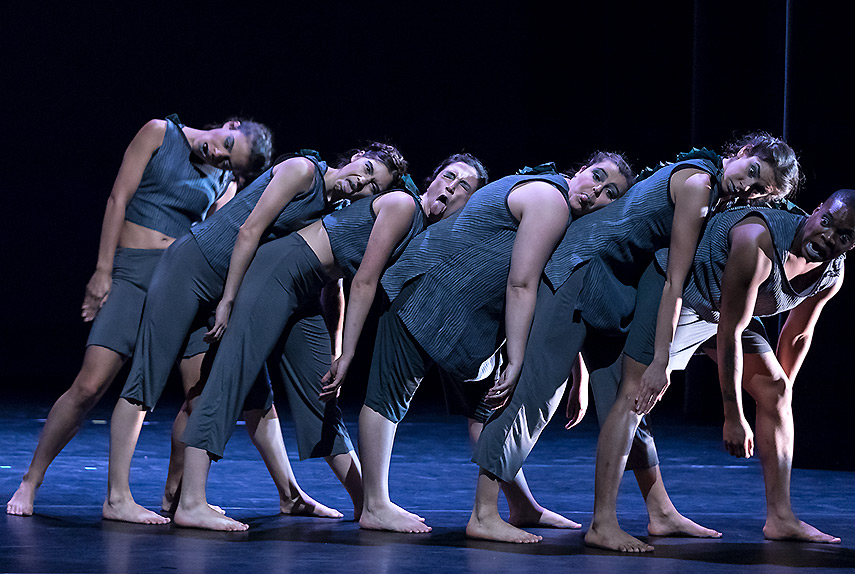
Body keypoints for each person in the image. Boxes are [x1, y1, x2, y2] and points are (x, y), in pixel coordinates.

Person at [467, 133, 800, 543]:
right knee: (538, 393)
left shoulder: (716, 195)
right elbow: (674, 282)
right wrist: (661, 359)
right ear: (741, 152)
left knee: (628, 401)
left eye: (759, 188)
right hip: (582, 266)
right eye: (751, 171)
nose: (746, 186)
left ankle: (660, 511)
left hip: (614, 289)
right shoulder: (699, 184)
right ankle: (484, 513)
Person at [172, 154, 487, 531]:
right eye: (449, 176)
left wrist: (337, 346)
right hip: (278, 272)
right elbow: (364, 280)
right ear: (432, 179)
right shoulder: (403, 205)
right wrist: (348, 352)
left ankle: (369, 504)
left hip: (305, 290)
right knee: (231, 375)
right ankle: (191, 502)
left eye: (463, 187)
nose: (451, 187)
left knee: (321, 394)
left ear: (468, 203)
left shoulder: (425, 230)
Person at [103, 143, 407, 525]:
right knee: (146, 379)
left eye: (373, 187)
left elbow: (334, 286)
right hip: (194, 268)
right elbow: (249, 230)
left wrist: (335, 348)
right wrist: (229, 299)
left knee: (249, 395)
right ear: (357, 156)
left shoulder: (337, 210)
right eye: (367, 169)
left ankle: (286, 495)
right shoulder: (302, 170)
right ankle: (117, 498)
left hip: (231, 288)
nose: (361, 182)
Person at [6, 114, 273, 517]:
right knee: (90, 386)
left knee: (199, 395)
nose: (219, 155)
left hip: (183, 284)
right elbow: (118, 199)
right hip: (132, 272)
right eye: (227, 145)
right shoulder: (159, 133)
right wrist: (103, 271)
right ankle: (31, 480)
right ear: (230, 125)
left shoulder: (225, 182)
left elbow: (213, 240)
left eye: (227, 161)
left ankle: (176, 496)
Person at [349, 154, 632, 533]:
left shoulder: (558, 206)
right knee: (388, 398)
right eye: (597, 177)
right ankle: (375, 505)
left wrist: (577, 369)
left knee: (488, 410)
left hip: (466, 322)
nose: (597, 192)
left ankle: (522, 506)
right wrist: (515, 359)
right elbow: (521, 284)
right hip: (426, 293)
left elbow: (551, 292)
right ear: (580, 170)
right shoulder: (550, 200)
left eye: (610, 193)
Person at [588, 189, 855, 552]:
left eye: (843, 235)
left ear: (854, 243)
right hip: (686, 298)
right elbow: (729, 333)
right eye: (826, 221)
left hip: (726, 312)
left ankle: (780, 518)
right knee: (636, 394)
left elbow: (798, 334)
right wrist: (733, 416)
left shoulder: (832, 272)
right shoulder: (759, 241)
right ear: (816, 211)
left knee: (776, 390)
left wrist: (782, 394)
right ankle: (604, 522)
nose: (828, 236)